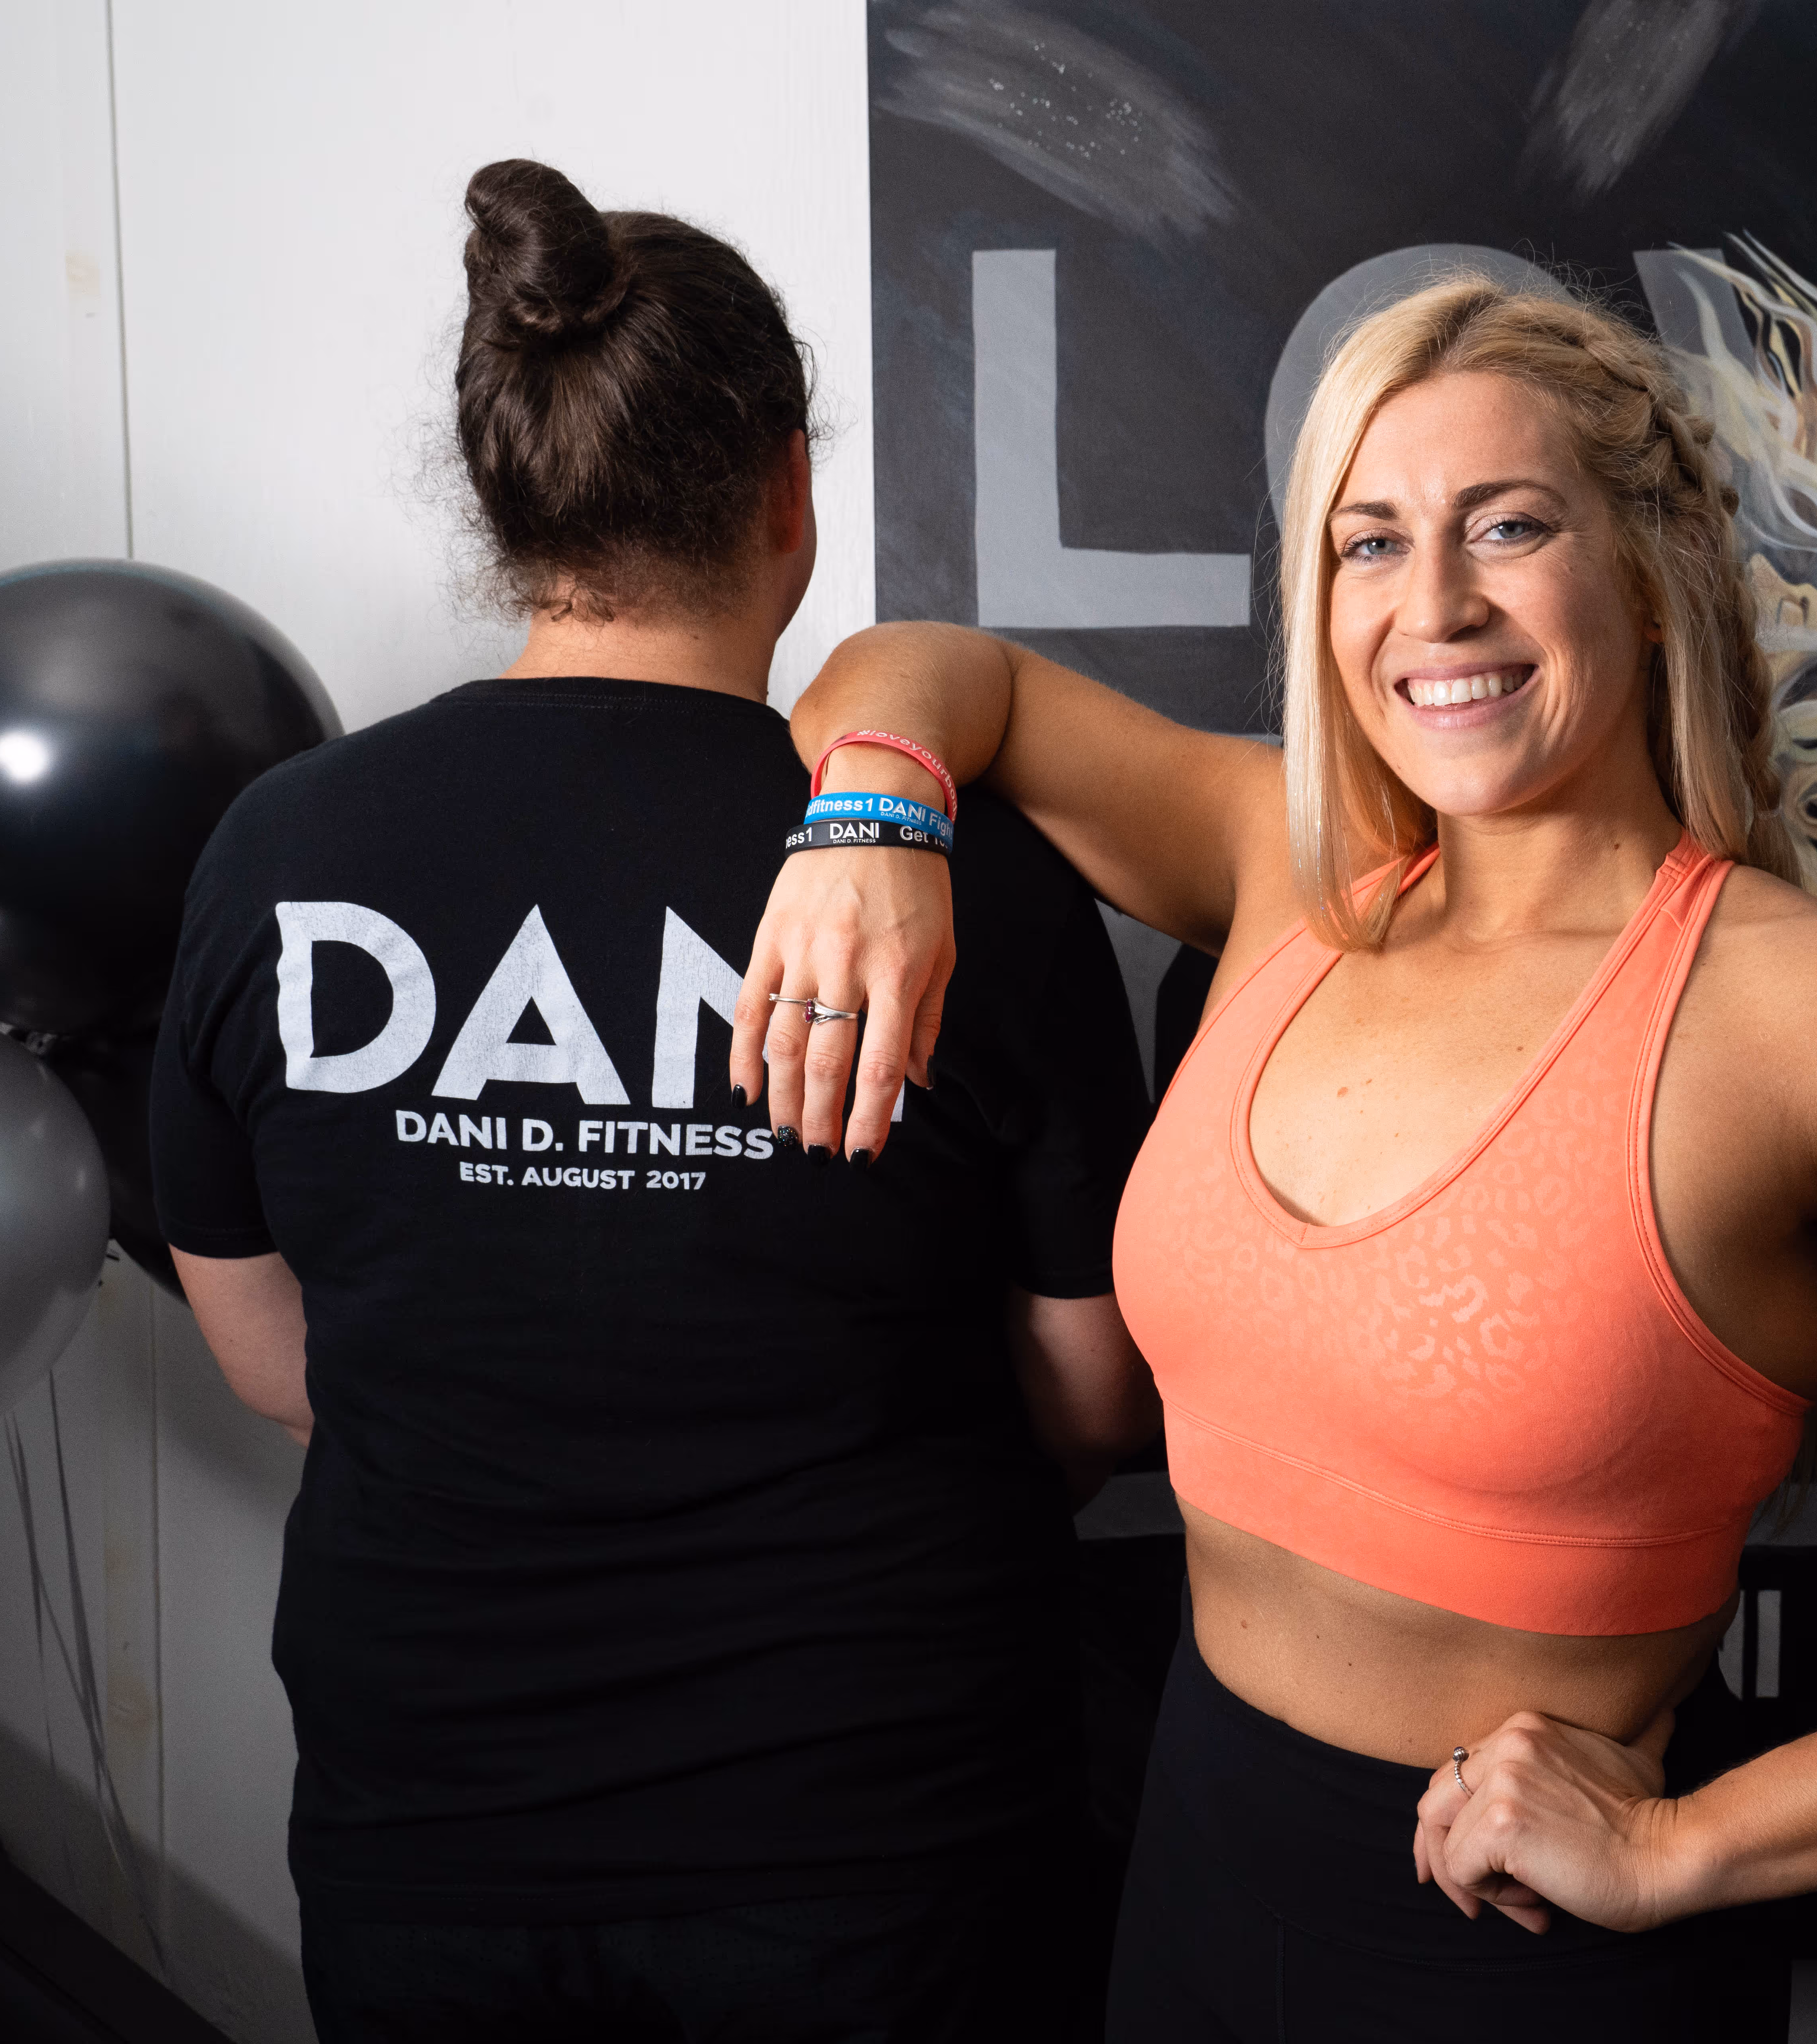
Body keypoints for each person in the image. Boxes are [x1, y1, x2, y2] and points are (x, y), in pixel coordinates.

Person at [730, 276, 1817, 2042]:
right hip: (1183, 1883)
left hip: (1515, 1959)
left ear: (1651, 559)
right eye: (1366, 543)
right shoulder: (1286, 881)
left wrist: (1694, 1846)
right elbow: (939, 669)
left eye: (1507, 527)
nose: (1432, 605)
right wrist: (871, 818)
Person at [150, 160, 1154, 2042]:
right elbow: (1095, 1392)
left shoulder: (281, 851)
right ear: (789, 490)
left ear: (502, 496)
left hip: (433, 1839)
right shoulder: (965, 880)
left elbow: (271, 1350)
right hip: (881, 1847)